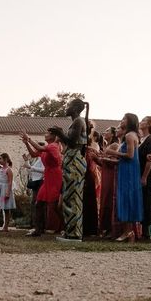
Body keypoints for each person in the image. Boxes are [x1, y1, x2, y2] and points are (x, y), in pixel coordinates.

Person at [105, 114, 143, 242]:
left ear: (130, 122)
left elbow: (130, 155)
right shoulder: (132, 135)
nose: (121, 121)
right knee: (128, 199)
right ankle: (128, 231)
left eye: (124, 119)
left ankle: (128, 231)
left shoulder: (129, 136)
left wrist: (112, 152)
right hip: (127, 168)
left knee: (127, 198)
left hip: (129, 170)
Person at [55, 98, 88, 242]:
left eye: (69, 106)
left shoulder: (78, 122)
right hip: (71, 161)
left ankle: (75, 234)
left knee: (73, 197)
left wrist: (60, 133)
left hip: (75, 162)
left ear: (75, 108)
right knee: (69, 197)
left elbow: (72, 142)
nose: (66, 108)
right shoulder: (76, 122)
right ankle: (70, 232)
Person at [20, 129, 63, 236]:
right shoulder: (48, 147)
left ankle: (66, 227)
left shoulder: (53, 146)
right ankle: (38, 229)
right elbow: (34, 154)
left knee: (54, 206)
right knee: (39, 203)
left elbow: (39, 148)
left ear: (54, 136)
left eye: (47, 133)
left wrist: (29, 139)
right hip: (48, 177)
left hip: (55, 177)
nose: (45, 134)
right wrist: (26, 143)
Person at [138, 116, 151, 239]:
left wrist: (144, 177)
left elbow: (149, 160)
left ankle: (146, 231)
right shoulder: (142, 139)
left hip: (146, 174)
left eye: (144, 121)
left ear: (149, 124)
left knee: (146, 201)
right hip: (140, 172)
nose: (141, 122)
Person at [98, 127, 119, 237]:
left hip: (110, 174)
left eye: (107, 131)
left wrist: (104, 159)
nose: (104, 132)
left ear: (112, 134)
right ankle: (104, 227)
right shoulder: (107, 145)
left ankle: (110, 228)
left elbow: (115, 162)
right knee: (104, 199)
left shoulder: (115, 145)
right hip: (105, 173)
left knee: (108, 199)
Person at [83, 129, 102, 236]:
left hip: (90, 173)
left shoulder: (93, 145)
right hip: (84, 173)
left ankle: (91, 228)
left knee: (90, 200)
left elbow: (95, 156)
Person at [22, 150, 44, 229]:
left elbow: (43, 170)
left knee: (37, 203)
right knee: (33, 203)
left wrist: (32, 167)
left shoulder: (43, 159)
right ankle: (34, 223)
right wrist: (26, 161)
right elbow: (30, 170)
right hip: (34, 182)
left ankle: (38, 225)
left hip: (40, 182)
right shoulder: (37, 159)